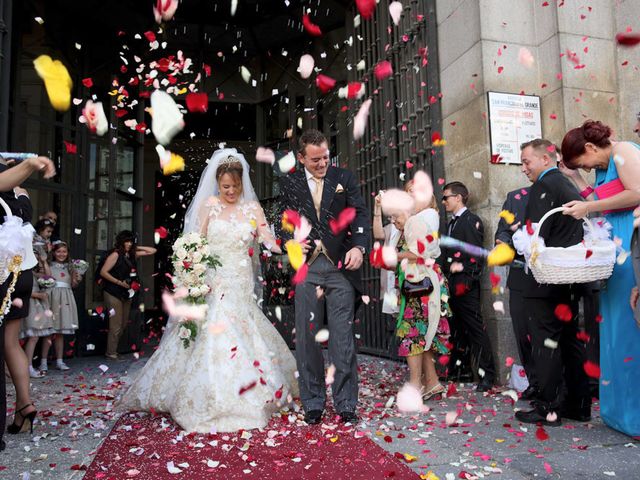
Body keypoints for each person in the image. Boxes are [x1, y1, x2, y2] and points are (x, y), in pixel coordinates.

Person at [118, 148, 298, 433]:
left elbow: (267, 240)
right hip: (214, 281)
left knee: (243, 327)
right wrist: (192, 271)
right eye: (225, 186)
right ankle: (213, 396)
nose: (230, 191)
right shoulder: (209, 206)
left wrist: (288, 247)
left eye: (235, 186)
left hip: (240, 282)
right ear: (217, 183)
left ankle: (252, 391)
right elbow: (194, 242)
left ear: (242, 184)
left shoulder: (252, 209)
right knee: (215, 330)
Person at [278, 129, 370, 425]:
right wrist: (289, 242)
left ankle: (345, 404)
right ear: (301, 157)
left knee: (342, 337)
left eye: (326, 157)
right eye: (315, 159)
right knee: (307, 336)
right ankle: (313, 401)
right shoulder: (290, 182)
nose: (322, 164)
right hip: (307, 267)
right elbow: (285, 222)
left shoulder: (345, 178)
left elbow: (360, 213)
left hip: (340, 267)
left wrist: (359, 246)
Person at [559, 120, 640, 436]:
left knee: (629, 330)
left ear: (591, 148)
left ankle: (632, 414)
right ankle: (617, 412)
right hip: (613, 253)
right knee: (613, 331)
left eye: (583, 161)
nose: (587, 167)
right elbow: (603, 196)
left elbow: (637, 192)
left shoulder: (623, 150)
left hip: (630, 248)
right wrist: (575, 178)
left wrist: (590, 205)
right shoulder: (604, 166)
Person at [514, 138, 591, 426]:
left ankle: (547, 407)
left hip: (547, 280)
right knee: (570, 340)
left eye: (526, 161)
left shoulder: (545, 186)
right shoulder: (566, 184)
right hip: (569, 278)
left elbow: (534, 235)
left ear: (546, 159)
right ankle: (578, 405)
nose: (524, 168)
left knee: (546, 343)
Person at [0, 155, 55, 451]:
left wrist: (29, 162)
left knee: (7, 342)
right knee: (11, 342)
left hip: (2, 271)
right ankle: (25, 405)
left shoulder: (4, 194)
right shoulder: (23, 197)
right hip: (22, 273)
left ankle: (23, 406)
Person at [391, 194, 451, 401]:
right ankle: (432, 383)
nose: (393, 221)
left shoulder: (414, 222)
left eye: (395, 216)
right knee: (422, 335)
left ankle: (416, 385)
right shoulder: (408, 226)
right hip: (416, 287)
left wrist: (394, 256)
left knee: (413, 334)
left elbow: (421, 253)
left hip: (421, 289)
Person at [440, 181, 496, 391]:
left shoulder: (471, 221)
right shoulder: (451, 223)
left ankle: (487, 376)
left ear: (458, 197)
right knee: (457, 329)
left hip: (465, 286)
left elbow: (476, 257)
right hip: (452, 286)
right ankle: (461, 371)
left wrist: (464, 277)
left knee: (475, 330)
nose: (443, 201)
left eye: (446, 197)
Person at [494, 184, 537, 399]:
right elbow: (502, 229)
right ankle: (534, 383)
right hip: (520, 276)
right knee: (522, 332)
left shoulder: (563, 190)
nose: (525, 168)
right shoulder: (515, 197)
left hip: (552, 276)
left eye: (528, 162)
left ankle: (556, 386)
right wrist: (503, 241)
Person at [99, 231, 156, 360]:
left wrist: (137, 246)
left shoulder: (131, 254)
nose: (129, 244)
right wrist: (119, 282)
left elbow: (152, 251)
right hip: (113, 291)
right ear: (120, 242)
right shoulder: (115, 255)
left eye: (131, 241)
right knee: (116, 324)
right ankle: (111, 353)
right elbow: (103, 272)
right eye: (126, 241)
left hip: (126, 292)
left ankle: (113, 350)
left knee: (123, 323)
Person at [46, 241, 80, 371]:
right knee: (49, 331)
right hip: (52, 298)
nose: (61, 254)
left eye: (64, 251)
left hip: (65, 298)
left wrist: (76, 276)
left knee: (60, 331)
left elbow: (73, 284)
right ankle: (44, 361)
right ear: (54, 252)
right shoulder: (49, 265)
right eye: (59, 251)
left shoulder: (70, 267)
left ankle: (60, 361)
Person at [21, 252, 54, 378]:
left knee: (34, 337)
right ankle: (27, 367)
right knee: (32, 337)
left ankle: (27, 366)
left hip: (36, 306)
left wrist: (44, 261)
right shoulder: (21, 270)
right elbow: (18, 289)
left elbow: (48, 277)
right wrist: (38, 295)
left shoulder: (32, 272)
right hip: (28, 303)